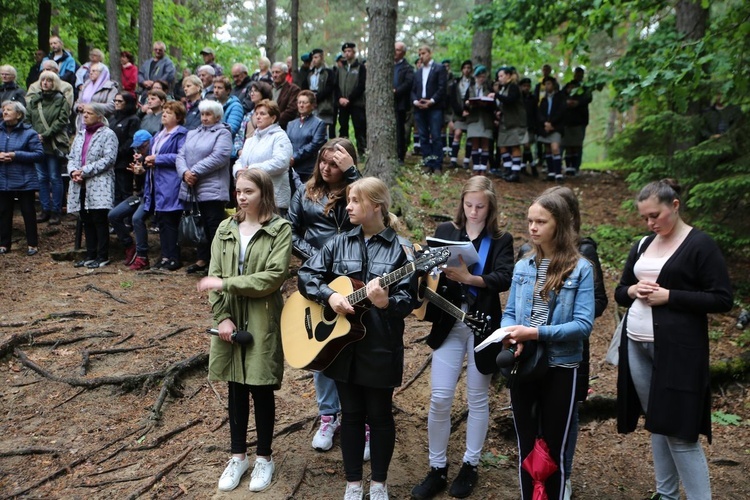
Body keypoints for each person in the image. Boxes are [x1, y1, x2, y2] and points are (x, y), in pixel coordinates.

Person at [297, 177, 417, 500]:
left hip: (381, 345)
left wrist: (387, 303)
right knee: (349, 415)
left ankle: (378, 484)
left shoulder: (401, 248)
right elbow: (307, 275)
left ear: (375, 206)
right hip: (342, 347)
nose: (347, 206)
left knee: (379, 415)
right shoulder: (339, 242)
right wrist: (329, 297)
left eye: (354, 201)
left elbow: (411, 298)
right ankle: (352, 484)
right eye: (348, 200)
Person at [615, 179, 733, 500]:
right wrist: (632, 290)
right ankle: (665, 494)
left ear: (675, 206)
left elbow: (722, 299)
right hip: (636, 345)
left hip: (679, 351)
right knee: (658, 421)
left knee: (680, 433)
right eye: (645, 218)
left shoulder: (700, 245)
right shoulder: (642, 244)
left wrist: (671, 296)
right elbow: (620, 291)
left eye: (656, 215)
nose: (651, 223)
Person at [411, 176, 514, 500]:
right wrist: (431, 270)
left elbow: (504, 276)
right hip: (449, 320)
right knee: (440, 397)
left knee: (477, 396)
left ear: (490, 206)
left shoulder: (500, 238)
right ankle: (437, 467)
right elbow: (425, 271)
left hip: (482, 323)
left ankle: (470, 464)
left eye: (480, 206)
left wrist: (472, 278)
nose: (473, 212)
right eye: (469, 205)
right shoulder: (445, 233)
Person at [197, 167, 292, 493]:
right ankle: (238, 457)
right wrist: (221, 316)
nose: (241, 196)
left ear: (264, 193)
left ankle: (264, 457)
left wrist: (226, 283)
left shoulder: (279, 230)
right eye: (238, 191)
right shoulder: (225, 228)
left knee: (261, 387)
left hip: (263, 316)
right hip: (230, 315)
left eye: (248, 191)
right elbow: (213, 274)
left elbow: (272, 278)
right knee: (235, 387)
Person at [501, 190, 595, 499]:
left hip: (561, 366)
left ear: (560, 224)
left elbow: (582, 326)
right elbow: (511, 313)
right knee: (527, 448)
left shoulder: (581, 269)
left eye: (541, 221)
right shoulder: (524, 266)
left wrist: (536, 334)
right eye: (530, 221)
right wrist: (511, 335)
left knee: (554, 451)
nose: (533, 228)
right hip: (524, 365)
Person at [287, 138, 363, 453]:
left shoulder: (355, 194)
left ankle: (360, 417)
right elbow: (289, 230)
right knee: (321, 347)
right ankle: (328, 415)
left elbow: (370, 215)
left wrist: (353, 174)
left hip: (354, 277)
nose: (327, 168)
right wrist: (319, 255)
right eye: (324, 162)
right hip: (316, 276)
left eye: (335, 164)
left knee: (354, 343)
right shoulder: (306, 192)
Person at [175, 100, 232, 274]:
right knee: (198, 224)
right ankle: (201, 259)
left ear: (217, 116)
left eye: (208, 114)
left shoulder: (223, 133)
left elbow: (220, 156)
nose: (204, 118)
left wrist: (195, 171)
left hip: (212, 187)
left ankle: (217, 264)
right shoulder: (193, 133)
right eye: (202, 114)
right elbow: (180, 154)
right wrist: (185, 173)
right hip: (192, 187)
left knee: (213, 225)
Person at [67, 103, 119, 268]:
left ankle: (102, 255)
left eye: (89, 113)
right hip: (80, 183)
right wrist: (73, 171)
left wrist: (85, 171)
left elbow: (109, 159)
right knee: (86, 218)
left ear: (99, 116)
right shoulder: (80, 134)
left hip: (99, 182)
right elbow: (72, 157)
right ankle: (90, 254)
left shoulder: (108, 134)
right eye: (84, 113)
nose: (85, 115)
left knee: (99, 219)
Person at [140, 101, 189, 271]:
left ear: (179, 117)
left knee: (170, 221)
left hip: (171, 183)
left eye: (169, 112)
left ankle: (174, 257)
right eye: (164, 111)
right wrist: (145, 161)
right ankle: (165, 255)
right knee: (161, 220)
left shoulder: (181, 135)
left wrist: (157, 159)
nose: (165, 114)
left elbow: (181, 156)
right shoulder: (159, 135)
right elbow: (152, 155)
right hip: (156, 183)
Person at [27, 70, 71, 226]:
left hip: (53, 144)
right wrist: (33, 136)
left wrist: (45, 134)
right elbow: (28, 119)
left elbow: (62, 121)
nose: (45, 83)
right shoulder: (34, 100)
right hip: (37, 145)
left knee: (54, 177)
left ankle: (56, 211)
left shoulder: (61, 100)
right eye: (43, 80)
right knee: (41, 178)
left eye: (49, 80)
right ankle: (45, 209)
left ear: (55, 83)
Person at [233, 99, 293, 214]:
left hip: (273, 199)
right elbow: (240, 161)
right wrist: (238, 172)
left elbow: (281, 162)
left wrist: (251, 170)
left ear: (273, 118)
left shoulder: (280, 137)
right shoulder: (250, 140)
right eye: (256, 114)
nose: (258, 117)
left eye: (263, 114)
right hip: (250, 200)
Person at [0, 101, 44, 256]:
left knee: (28, 212)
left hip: (25, 179)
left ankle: (32, 244)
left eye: (8, 110)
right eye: (3, 109)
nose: (4, 112)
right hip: (3, 179)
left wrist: (15, 155)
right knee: (4, 211)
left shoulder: (29, 133)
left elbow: (39, 154)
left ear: (19, 114)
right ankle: (4, 244)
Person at [108, 130, 151, 269]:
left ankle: (142, 256)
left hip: (154, 197)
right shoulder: (140, 158)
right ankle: (129, 246)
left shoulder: (154, 156)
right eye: (136, 148)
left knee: (137, 218)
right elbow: (139, 185)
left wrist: (144, 170)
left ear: (149, 143)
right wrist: (138, 172)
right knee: (114, 215)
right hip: (141, 195)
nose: (139, 150)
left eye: (142, 147)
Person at [411, 45, 447, 174]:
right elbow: (413, 89)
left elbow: (442, 88)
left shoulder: (439, 68)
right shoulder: (418, 71)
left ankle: (437, 164)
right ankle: (427, 163)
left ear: (430, 53)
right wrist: (416, 101)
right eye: (419, 54)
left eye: (423, 53)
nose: (421, 56)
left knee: (436, 135)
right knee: (423, 136)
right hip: (420, 108)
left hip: (435, 107)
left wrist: (431, 101)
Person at [494, 66, 527, 183]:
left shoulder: (513, 87)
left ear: (508, 75)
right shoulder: (504, 88)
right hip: (505, 122)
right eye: (498, 76)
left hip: (515, 122)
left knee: (514, 146)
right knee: (502, 145)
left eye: (501, 76)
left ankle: (515, 172)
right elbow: (504, 104)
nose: (499, 78)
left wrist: (496, 95)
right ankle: (508, 169)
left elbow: (510, 100)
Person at [287, 90, 327, 183]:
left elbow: (315, 144)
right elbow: (286, 142)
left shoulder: (319, 124)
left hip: (308, 169)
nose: (301, 105)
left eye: (304, 103)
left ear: (312, 105)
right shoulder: (291, 124)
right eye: (299, 102)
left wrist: (295, 157)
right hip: (291, 167)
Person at [109, 92, 141, 206]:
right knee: (115, 191)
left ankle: (127, 218)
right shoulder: (113, 118)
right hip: (112, 160)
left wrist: (119, 152)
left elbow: (132, 139)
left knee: (125, 190)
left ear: (127, 103)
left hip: (124, 161)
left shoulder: (133, 119)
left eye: (120, 101)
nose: (117, 103)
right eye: (115, 101)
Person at [336, 42, 367, 155]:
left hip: (356, 103)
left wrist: (349, 98)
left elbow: (361, 85)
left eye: (349, 51)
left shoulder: (360, 67)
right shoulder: (340, 68)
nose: (347, 53)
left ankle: (362, 151)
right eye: (345, 51)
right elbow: (336, 85)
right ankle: (343, 151)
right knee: (343, 127)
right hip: (342, 104)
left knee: (359, 127)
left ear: (354, 52)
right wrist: (340, 98)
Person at [462, 65, 493, 175]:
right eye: (479, 76)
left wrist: (486, 103)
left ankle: (483, 168)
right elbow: (464, 103)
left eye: (483, 76)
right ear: (475, 77)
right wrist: (467, 104)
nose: (481, 79)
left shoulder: (489, 89)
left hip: (485, 119)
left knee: (485, 143)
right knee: (475, 143)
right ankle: (476, 167)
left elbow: (493, 105)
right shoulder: (470, 89)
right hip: (473, 118)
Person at [561, 68, 591, 176]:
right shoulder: (567, 86)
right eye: (577, 73)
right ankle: (568, 166)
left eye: (580, 74)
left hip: (580, 120)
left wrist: (577, 102)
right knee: (567, 145)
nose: (578, 75)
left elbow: (588, 98)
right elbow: (560, 97)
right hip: (567, 121)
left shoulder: (585, 87)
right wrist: (567, 102)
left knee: (577, 145)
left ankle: (576, 167)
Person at [537, 76, 566, 182]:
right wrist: (544, 123)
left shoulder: (560, 97)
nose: (547, 86)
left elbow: (561, 111)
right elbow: (539, 112)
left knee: (555, 148)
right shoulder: (543, 99)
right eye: (546, 84)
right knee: (547, 149)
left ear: (553, 85)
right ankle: (551, 172)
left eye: (549, 84)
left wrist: (552, 123)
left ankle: (558, 173)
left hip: (556, 127)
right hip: (545, 127)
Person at [74, 63, 118, 130]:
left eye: (94, 71)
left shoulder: (110, 88)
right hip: (82, 124)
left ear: (102, 73)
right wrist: (78, 107)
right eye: (90, 71)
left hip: (100, 125)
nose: (91, 73)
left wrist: (92, 108)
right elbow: (77, 102)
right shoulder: (85, 86)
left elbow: (112, 106)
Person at [234, 81, 272, 156]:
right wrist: (239, 150)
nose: (252, 93)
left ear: (263, 93)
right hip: (245, 155)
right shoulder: (248, 115)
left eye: (256, 91)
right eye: (251, 91)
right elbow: (240, 135)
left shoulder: (270, 114)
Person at [448, 60, 473, 170]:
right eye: (465, 67)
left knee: (470, 137)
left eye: (469, 68)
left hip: (471, 113)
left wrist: (468, 109)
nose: (467, 70)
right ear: (462, 69)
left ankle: (466, 161)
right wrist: (460, 110)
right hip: (458, 112)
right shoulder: (456, 82)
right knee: (457, 133)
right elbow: (452, 98)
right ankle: (453, 160)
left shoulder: (473, 83)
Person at [307, 48, 336, 139]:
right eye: (312, 58)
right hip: (311, 103)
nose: (314, 60)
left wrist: (317, 97)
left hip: (324, 105)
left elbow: (329, 88)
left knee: (323, 130)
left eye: (316, 57)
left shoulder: (328, 72)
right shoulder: (310, 73)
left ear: (322, 58)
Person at [393, 42, 414, 164]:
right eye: (394, 49)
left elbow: (408, 83)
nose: (395, 52)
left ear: (403, 53)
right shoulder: (387, 66)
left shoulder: (407, 68)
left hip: (400, 104)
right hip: (388, 104)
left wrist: (396, 91)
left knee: (400, 131)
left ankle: (400, 155)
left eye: (398, 50)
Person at [269, 62, 300, 130]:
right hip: (267, 125)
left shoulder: (293, 89)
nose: (274, 75)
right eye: (273, 72)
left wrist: (274, 121)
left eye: (277, 72)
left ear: (285, 74)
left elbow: (291, 110)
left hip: (284, 127)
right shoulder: (268, 88)